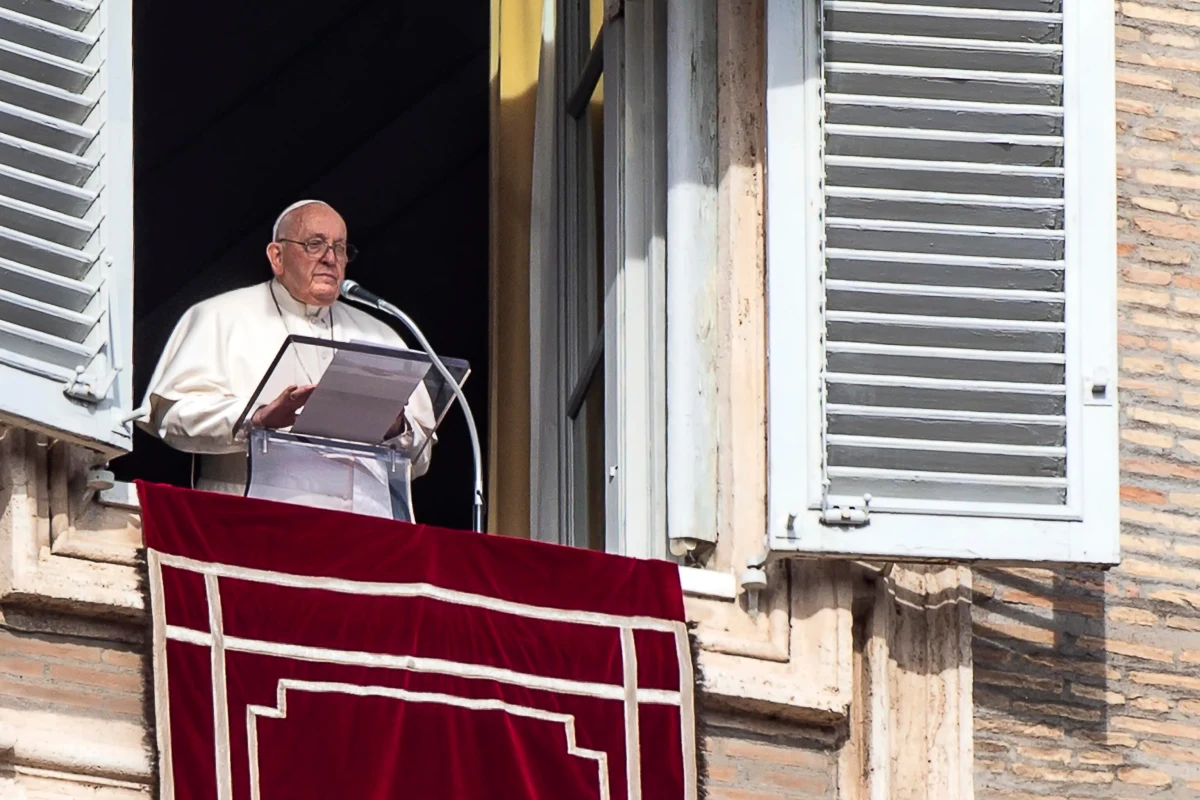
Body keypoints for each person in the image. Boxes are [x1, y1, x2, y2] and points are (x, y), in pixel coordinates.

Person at [137, 200, 436, 516]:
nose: (331, 259)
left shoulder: (380, 335)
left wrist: (395, 428)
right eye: (315, 244)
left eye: (340, 248)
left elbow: (422, 459)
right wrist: (257, 418)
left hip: (365, 528)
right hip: (252, 522)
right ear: (277, 256)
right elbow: (172, 419)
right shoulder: (220, 316)